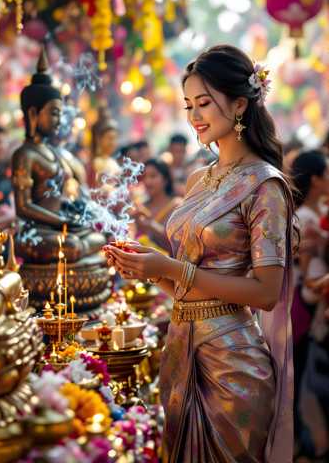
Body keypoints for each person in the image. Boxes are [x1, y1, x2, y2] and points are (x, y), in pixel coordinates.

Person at [106, 44, 296, 462]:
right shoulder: (198, 180)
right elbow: (183, 286)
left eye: (205, 103)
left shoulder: (265, 185)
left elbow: (266, 292)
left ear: (241, 104)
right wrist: (148, 266)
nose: (194, 116)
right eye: (188, 104)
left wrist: (171, 266)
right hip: (179, 349)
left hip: (234, 365)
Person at [291, 150, 329, 461]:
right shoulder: (304, 217)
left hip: (317, 304)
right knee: (305, 378)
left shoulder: (316, 214)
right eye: (326, 173)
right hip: (310, 304)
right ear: (315, 180)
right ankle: (305, 441)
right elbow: (306, 277)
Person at [134, 158, 181, 253]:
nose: (147, 181)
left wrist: (151, 225)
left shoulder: (177, 205)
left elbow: (179, 246)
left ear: (165, 179)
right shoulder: (141, 207)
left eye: (153, 176)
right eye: (144, 177)